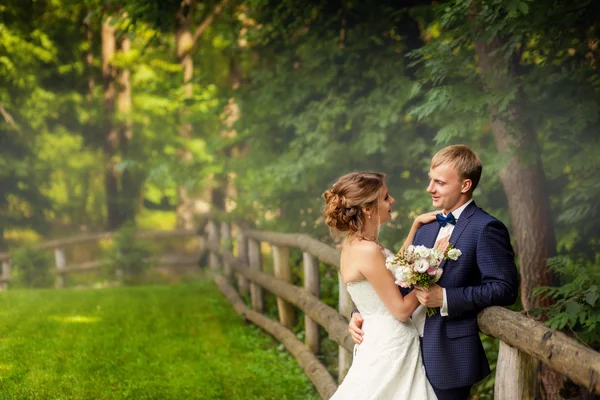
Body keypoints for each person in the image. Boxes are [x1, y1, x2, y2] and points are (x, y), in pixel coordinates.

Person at [348, 145, 520, 400]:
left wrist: (447, 298)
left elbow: (505, 289)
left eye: (439, 182)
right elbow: (394, 281)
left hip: (448, 354)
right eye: (431, 180)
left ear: (465, 185)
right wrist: (361, 312)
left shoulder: (486, 228)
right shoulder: (426, 227)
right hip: (401, 350)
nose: (430, 188)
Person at [324, 171, 440, 400]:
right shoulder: (367, 251)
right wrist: (431, 273)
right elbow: (401, 310)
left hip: (377, 336)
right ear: (367, 209)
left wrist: (415, 228)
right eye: (386, 197)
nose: (392, 201)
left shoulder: (355, 243)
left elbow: (390, 268)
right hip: (391, 344)